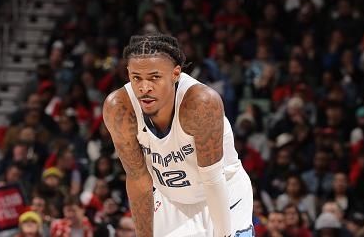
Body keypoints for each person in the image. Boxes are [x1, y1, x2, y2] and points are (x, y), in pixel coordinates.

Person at [103, 33, 253, 236]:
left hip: (223, 193)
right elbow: (138, 179)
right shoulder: (119, 108)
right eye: (136, 78)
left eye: (154, 77)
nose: (144, 87)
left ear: (176, 74)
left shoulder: (201, 103)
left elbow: (212, 179)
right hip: (172, 201)